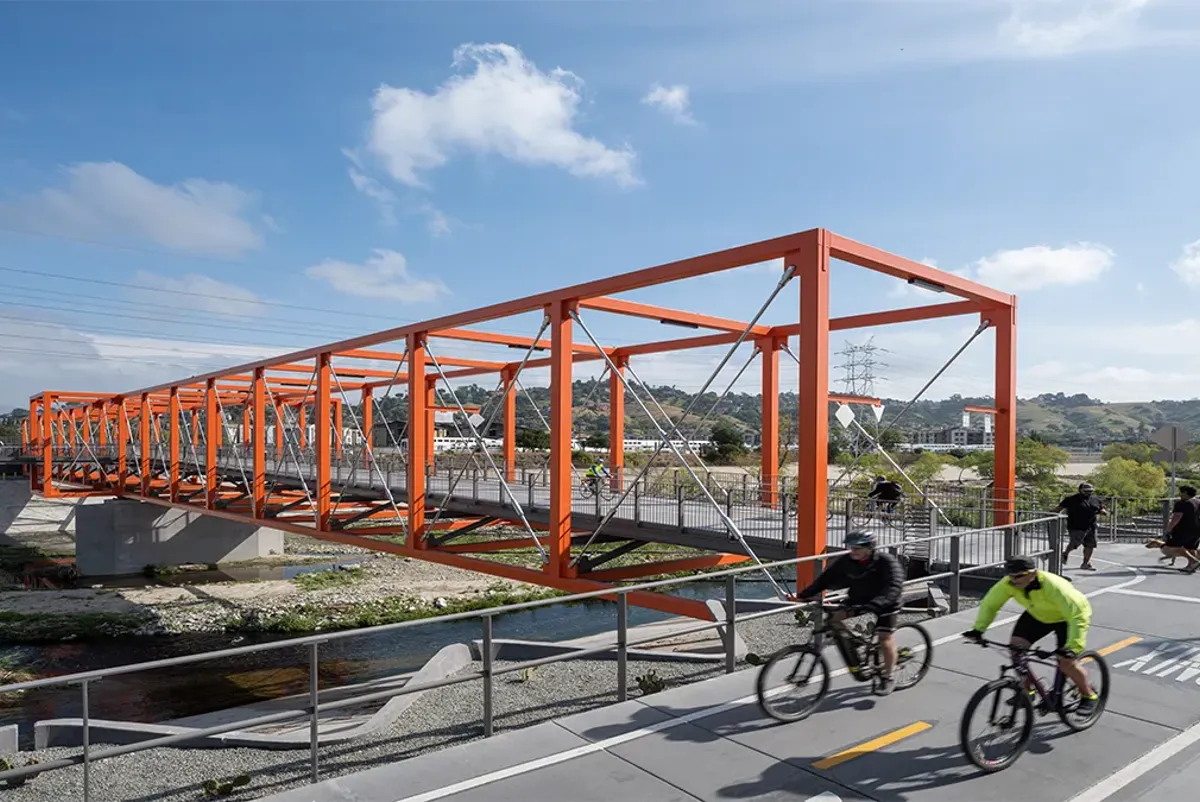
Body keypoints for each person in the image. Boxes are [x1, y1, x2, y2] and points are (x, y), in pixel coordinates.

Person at [963, 555, 1099, 715]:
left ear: (1033, 573)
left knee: (1066, 662)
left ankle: (1088, 695)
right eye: (1011, 575)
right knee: (1016, 650)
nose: (1014, 580)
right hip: (1038, 615)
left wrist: (1073, 648)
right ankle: (1027, 692)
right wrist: (978, 629)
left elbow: (1078, 616)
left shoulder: (1054, 587)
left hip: (1068, 618)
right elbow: (990, 604)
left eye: (1019, 575)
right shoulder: (1009, 584)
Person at [794, 530, 905, 695]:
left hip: (885, 602)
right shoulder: (847, 561)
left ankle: (888, 677)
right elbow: (826, 578)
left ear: (870, 547)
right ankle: (856, 642)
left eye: (857, 548)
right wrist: (804, 595)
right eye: (851, 547)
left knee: (885, 637)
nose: (852, 551)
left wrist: (878, 603)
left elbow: (895, 586)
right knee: (833, 620)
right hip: (859, 599)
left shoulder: (885, 561)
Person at [1056, 482, 1107, 571]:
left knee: (1090, 545)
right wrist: (1051, 514)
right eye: (1086, 491)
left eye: (1090, 491)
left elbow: (1101, 507)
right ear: (1080, 490)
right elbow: (1058, 509)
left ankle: (1085, 563)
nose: (1088, 492)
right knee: (1075, 543)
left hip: (1091, 526)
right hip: (1076, 526)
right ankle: (1065, 553)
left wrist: (1103, 511)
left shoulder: (1095, 499)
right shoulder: (1071, 499)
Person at [1161, 485, 1200, 573]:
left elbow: (1177, 517)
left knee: (1171, 547)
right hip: (1197, 530)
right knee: (1191, 548)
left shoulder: (1182, 503)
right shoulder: (1198, 502)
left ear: (1185, 492)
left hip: (1183, 529)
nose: (1180, 494)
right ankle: (1191, 566)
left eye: (1181, 492)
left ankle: (1193, 561)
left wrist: (1169, 529)